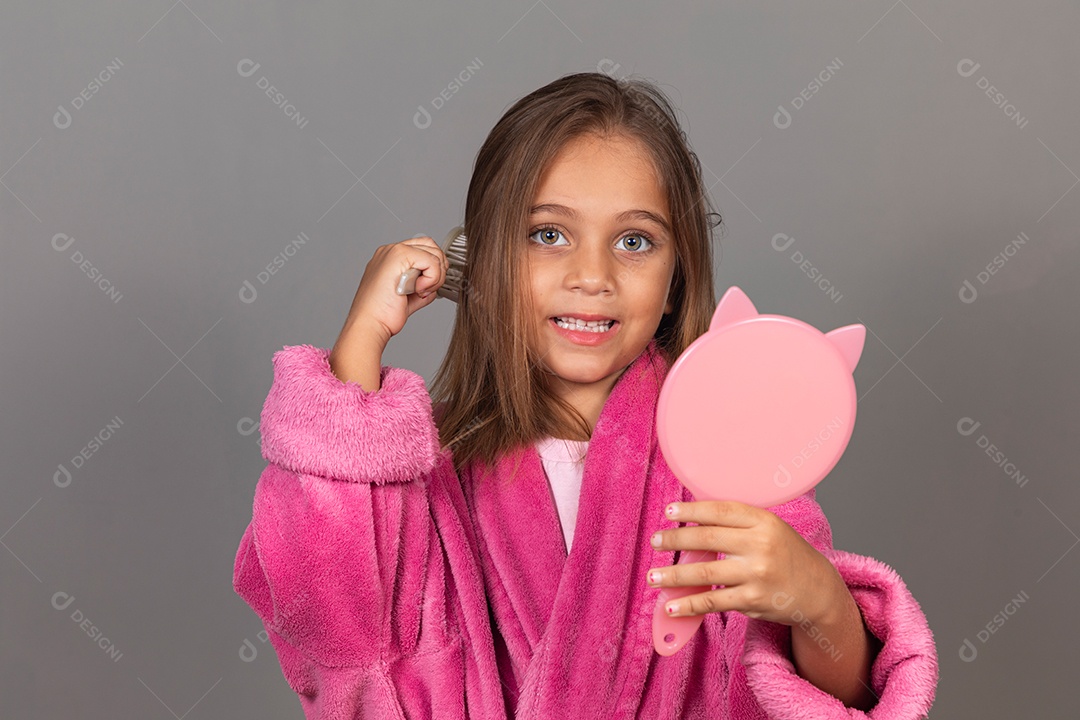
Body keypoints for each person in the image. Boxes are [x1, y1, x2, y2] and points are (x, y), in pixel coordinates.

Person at [232, 71, 938, 719]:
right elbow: (335, 626)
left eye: (634, 242)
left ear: (675, 280)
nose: (592, 275)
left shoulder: (734, 464)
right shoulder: (424, 477)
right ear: (486, 261)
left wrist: (820, 604)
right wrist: (362, 340)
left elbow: (823, 700)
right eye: (548, 235)